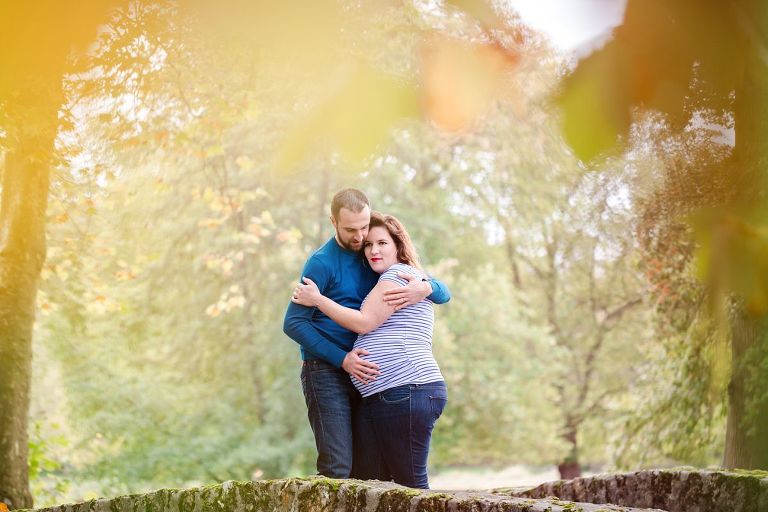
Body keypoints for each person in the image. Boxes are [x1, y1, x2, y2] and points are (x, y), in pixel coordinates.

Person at [282, 189, 451, 480]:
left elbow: (431, 284)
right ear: (333, 221)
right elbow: (293, 323)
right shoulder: (321, 263)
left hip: (365, 374)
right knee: (338, 466)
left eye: (364, 227)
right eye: (351, 230)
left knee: (371, 471)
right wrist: (342, 358)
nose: (360, 237)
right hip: (326, 368)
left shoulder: (371, 254)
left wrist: (428, 287)